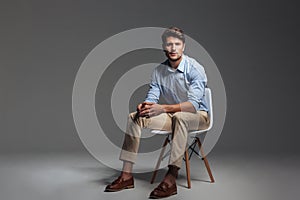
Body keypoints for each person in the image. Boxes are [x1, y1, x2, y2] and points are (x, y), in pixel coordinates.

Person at [104, 27, 210, 199]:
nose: (173, 48)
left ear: (183, 46)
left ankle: (171, 178)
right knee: (135, 117)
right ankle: (126, 176)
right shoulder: (158, 71)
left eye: (177, 44)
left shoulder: (195, 69)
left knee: (181, 117)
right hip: (172, 116)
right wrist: (145, 106)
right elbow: (152, 97)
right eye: (169, 44)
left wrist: (163, 108)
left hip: (199, 116)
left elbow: (192, 106)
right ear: (163, 47)